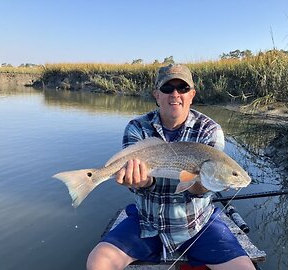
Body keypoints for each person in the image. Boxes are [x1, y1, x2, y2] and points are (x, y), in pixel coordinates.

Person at [86, 64, 256, 270]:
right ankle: (91, 178)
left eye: (182, 89)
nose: (175, 94)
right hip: (146, 222)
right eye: (167, 89)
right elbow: (133, 182)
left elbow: (200, 190)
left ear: (192, 95)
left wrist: (206, 183)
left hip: (197, 226)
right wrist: (142, 181)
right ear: (156, 95)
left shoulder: (209, 130)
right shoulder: (137, 127)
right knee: (98, 262)